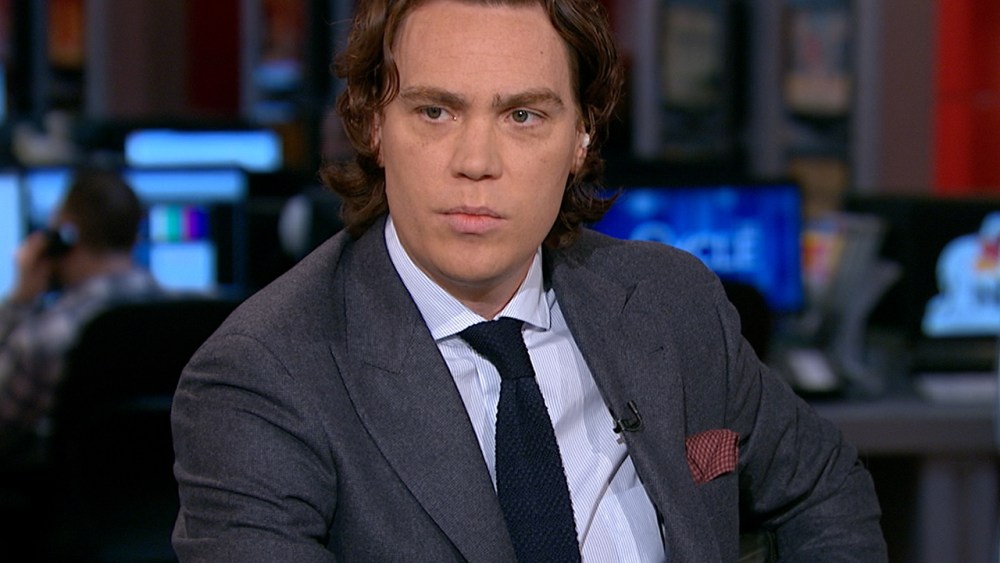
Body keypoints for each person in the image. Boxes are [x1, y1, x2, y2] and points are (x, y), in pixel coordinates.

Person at [171, 1, 888, 561]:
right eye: (435, 111)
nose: (476, 161)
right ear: (373, 125)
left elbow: (825, 490)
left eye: (522, 116)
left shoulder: (673, 302)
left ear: (581, 137)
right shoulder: (264, 377)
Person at [0, 168, 162, 458]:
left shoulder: (43, 338)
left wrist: (19, 302)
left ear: (67, 235)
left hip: (71, 486)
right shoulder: (192, 319)